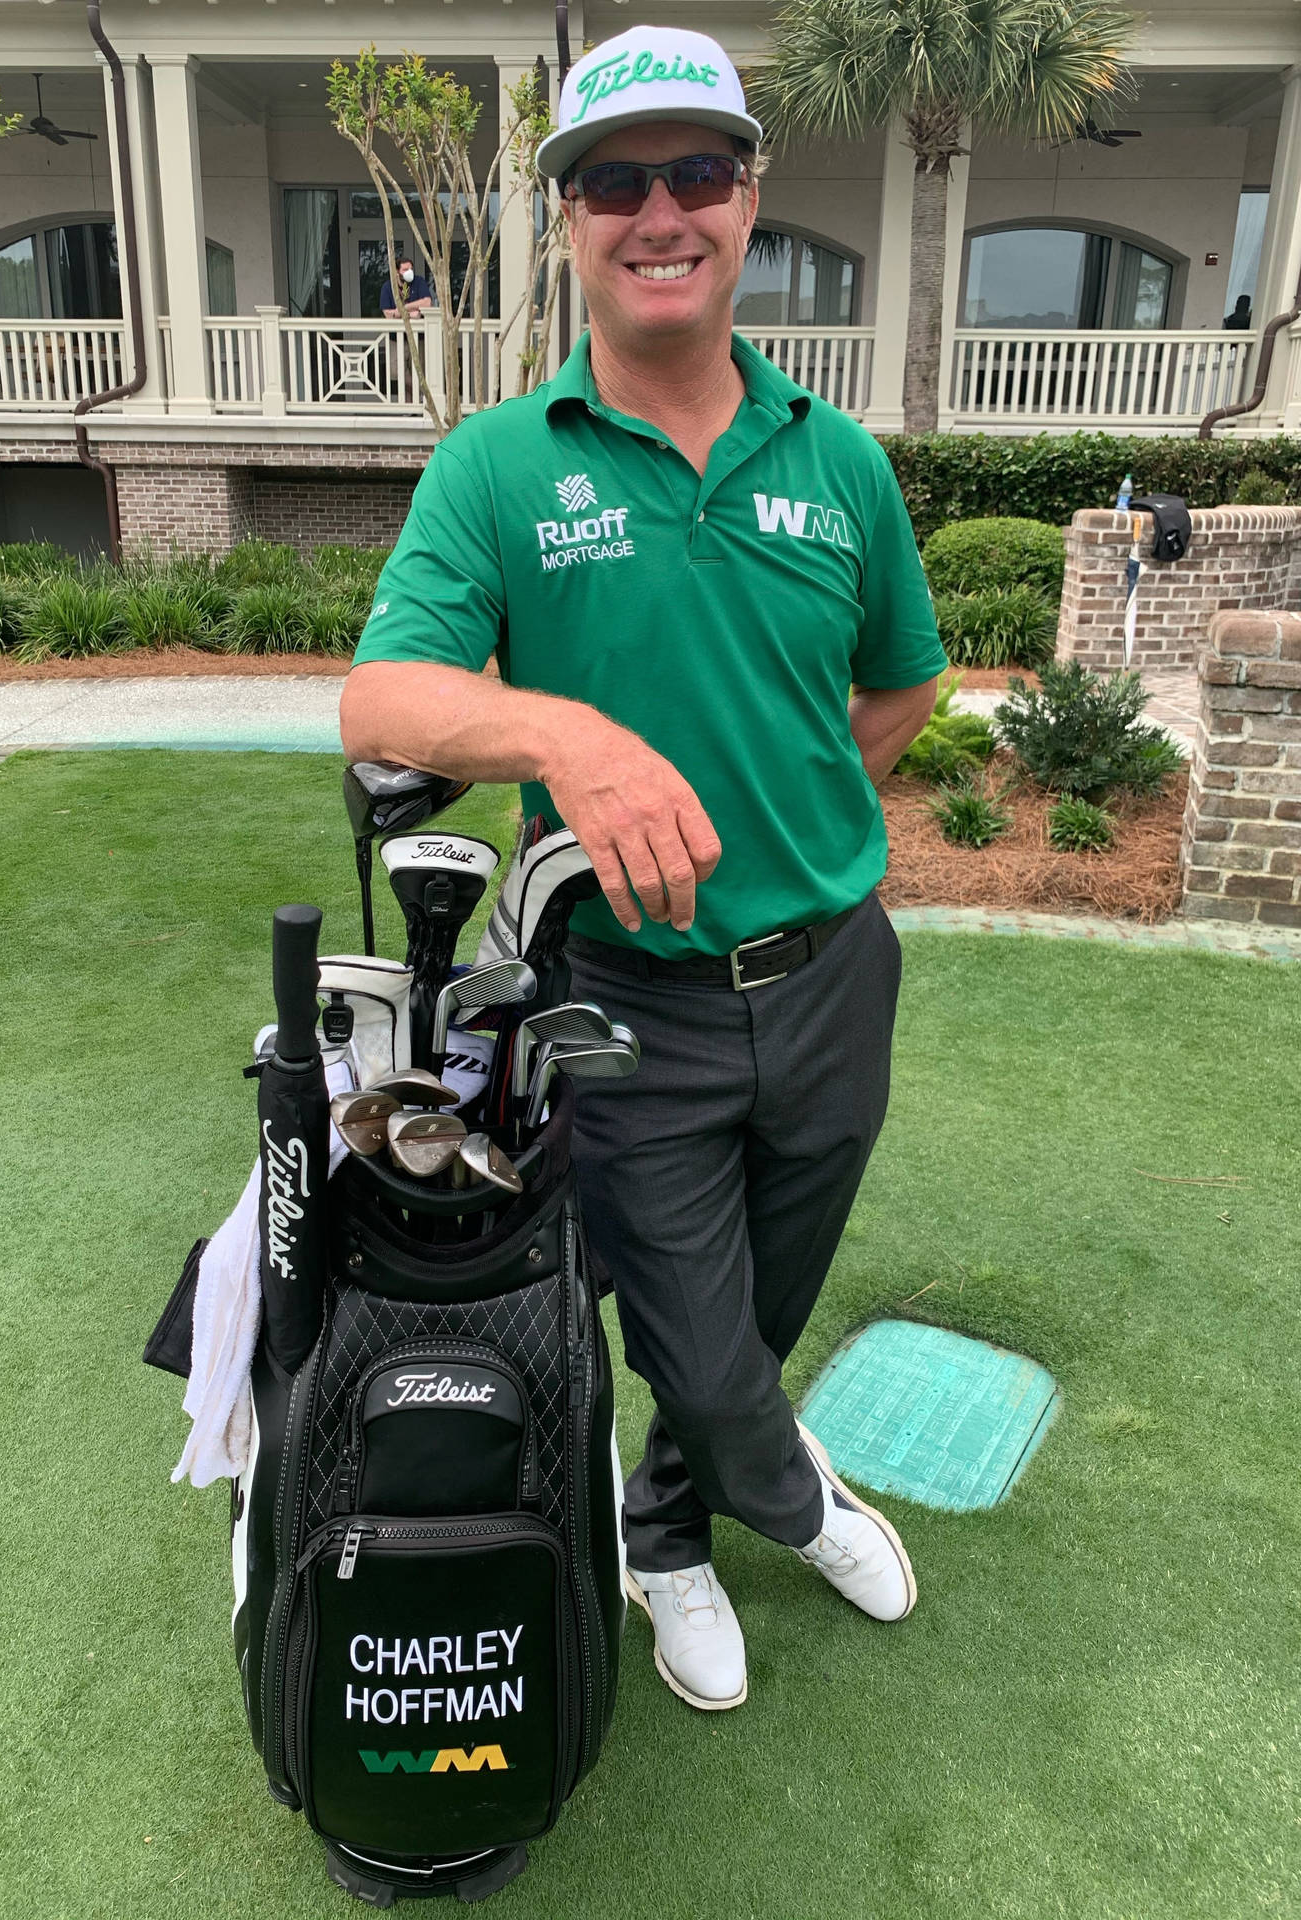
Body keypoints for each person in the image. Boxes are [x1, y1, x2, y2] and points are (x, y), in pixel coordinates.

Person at [340, 24, 947, 1712]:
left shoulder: (840, 463)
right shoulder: (500, 464)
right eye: (617, 179)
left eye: (698, 172)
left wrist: (810, 810)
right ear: (570, 221)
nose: (658, 210)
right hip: (619, 1005)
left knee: (765, 1297)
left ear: (749, 204)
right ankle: (784, 1495)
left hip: (833, 977)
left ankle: (666, 1529)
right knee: (689, 1322)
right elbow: (382, 698)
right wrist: (567, 743)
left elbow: (907, 681)